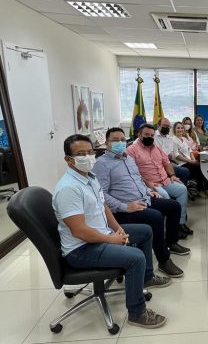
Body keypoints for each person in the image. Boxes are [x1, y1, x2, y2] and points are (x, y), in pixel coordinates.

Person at [53, 134, 168, 329]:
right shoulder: (68, 188)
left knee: (145, 231)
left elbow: (103, 206)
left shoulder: (89, 177)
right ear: (68, 159)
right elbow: (79, 231)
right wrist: (111, 239)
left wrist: (118, 229)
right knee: (136, 257)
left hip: (100, 234)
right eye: (81, 154)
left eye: (90, 152)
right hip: (82, 249)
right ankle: (137, 312)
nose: (88, 157)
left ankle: (147, 277)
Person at [93, 127, 191, 279]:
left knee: (173, 206)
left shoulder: (128, 159)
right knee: (155, 217)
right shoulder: (102, 164)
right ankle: (164, 260)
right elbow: (102, 195)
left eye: (122, 140)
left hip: (143, 198)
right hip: (124, 209)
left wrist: (148, 191)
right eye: (115, 140)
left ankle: (171, 242)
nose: (120, 143)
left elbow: (138, 180)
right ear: (106, 143)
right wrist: (125, 207)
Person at [127, 123, 193, 237]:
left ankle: (180, 224)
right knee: (165, 197)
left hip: (165, 180)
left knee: (182, 189)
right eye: (146, 135)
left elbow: (166, 162)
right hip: (149, 184)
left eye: (152, 135)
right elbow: (132, 172)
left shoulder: (156, 147)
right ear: (139, 134)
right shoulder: (131, 150)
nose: (150, 137)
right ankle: (165, 230)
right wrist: (147, 183)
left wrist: (172, 175)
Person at [172, 122, 208, 197]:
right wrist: (191, 161)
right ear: (174, 129)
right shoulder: (173, 140)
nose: (180, 129)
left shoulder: (184, 139)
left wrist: (193, 159)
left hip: (190, 161)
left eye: (181, 128)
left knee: (201, 165)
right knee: (199, 167)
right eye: (178, 128)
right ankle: (204, 188)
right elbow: (176, 155)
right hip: (181, 163)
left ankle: (202, 189)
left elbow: (190, 151)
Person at [154, 117, 190, 185]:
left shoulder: (169, 138)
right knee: (185, 171)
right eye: (164, 126)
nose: (167, 128)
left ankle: (183, 188)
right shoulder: (153, 136)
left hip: (168, 163)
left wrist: (171, 155)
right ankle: (180, 188)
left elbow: (172, 153)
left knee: (186, 170)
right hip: (158, 164)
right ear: (158, 126)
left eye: (168, 126)